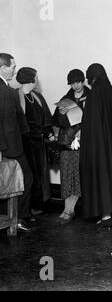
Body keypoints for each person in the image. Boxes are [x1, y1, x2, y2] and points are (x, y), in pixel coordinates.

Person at [80, 63, 112, 227]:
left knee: (102, 176)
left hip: (99, 146)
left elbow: (90, 126)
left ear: (92, 78)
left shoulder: (94, 95)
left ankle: (106, 215)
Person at [0, 53, 33, 232]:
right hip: (10, 148)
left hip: (10, 146)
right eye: (12, 67)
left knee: (10, 184)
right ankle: (17, 219)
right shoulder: (3, 90)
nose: (15, 69)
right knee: (25, 179)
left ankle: (15, 219)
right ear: (3, 68)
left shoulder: (6, 88)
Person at [52, 69, 90, 224]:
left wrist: (83, 131)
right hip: (68, 144)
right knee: (67, 175)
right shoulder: (66, 98)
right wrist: (62, 113)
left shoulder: (91, 96)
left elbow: (94, 119)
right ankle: (66, 209)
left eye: (78, 82)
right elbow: (56, 122)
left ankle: (69, 210)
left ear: (83, 81)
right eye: (72, 83)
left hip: (84, 142)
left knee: (78, 176)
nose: (75, 86)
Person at [16, 67, 55, 217]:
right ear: (30, 79)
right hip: (25, 143)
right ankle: (26, 209)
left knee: (40, 175)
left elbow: (45, 118)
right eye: (36, 77)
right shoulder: (16, 96)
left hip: (39, 142)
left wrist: (49, 133)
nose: (37, 80)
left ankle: (35, 206)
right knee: (28, 176)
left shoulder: (37, 96)